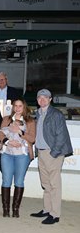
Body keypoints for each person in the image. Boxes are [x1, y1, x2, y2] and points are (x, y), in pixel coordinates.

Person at [30, 89, 73, 225]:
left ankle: (55, 215)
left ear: (50, 99)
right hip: (42, 152)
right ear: (37, 100)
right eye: (39, 98)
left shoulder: (56, 114)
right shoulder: (38, 113)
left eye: (45, 98)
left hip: (52, 153)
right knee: (46, 183)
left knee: (54, 184)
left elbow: (61, 136)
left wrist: (54, 153)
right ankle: (47, 209)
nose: (42, 100)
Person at [0, 99, 35, 217]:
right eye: (16, 106)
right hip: (7, 154)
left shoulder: (30, 121)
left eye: (20, 106)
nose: (18, 108)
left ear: (24, 108)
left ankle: (16, 209)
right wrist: (8, 142)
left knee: (19, 181)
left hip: (22, 155)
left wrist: (20, 133)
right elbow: (0, 134)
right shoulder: (6, 119)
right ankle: (6, 209)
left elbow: (32, 138)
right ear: (13, 107)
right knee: (6, 180)